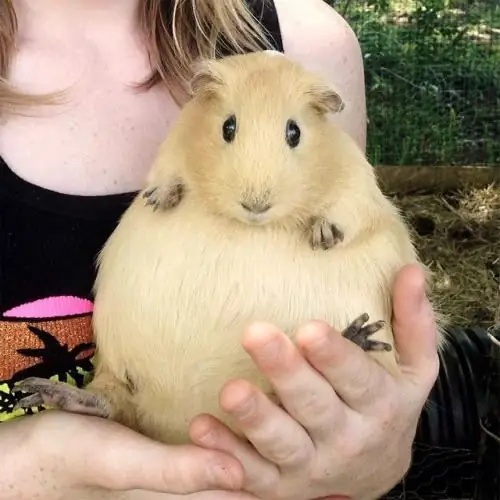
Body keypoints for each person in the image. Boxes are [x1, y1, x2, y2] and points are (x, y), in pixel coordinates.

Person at [0, 0, 440, 499]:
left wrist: (371, 456)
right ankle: (112, 394)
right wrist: (29, 464)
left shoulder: (312, 49)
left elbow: (360, 259)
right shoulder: (193, 133)